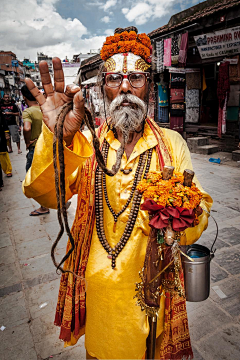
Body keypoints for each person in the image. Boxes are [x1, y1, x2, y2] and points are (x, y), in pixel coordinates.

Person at [23, 27, 212, 360]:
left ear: (149, 86)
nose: (126, 86)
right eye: (115, 79)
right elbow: (46, 196)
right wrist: (58, 140)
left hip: (153, 292)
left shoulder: (172, 145)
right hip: (101, 295)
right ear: (102, 89)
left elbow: (200, 210)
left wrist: (178, 218)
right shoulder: (87, 145)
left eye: (136, 77)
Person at [20, 85, 50, 216]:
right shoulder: (44, 109)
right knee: (49, 176)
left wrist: (27, 142)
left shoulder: (28, 111)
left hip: (35, 150)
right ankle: (58, 201)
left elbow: (27, 128)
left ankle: (44, 206)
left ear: (24, 97)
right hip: (47, 148)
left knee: (33, 179)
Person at [0, 112, 12, 180]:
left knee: (3, 153)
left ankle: (8, 170)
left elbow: (4, 123)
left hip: (1, 135)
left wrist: (6, 133)